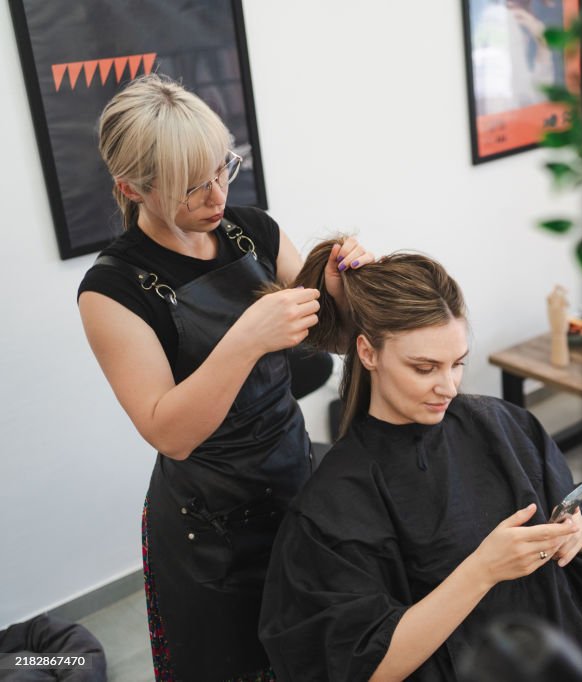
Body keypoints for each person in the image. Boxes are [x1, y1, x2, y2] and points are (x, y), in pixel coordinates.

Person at [77, 74, 371, 680]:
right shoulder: (113, 290)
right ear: (130, 188)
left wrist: (345, 293)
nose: (216, 195)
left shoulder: (252, 231)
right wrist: (246, 340)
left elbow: (335, 341)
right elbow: (170, 432)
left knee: (316, 651)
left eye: (222, 170)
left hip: (295, 481)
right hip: (209, 531)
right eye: (192, 187)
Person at [258, 246, 582, 681]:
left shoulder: (504, 424)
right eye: (424, 368)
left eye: (457, 364)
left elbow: (580, 521)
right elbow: (363, 666)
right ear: (368, 352)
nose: (448, 387)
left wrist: (579, 532)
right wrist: (483, 570)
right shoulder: (335, 504)